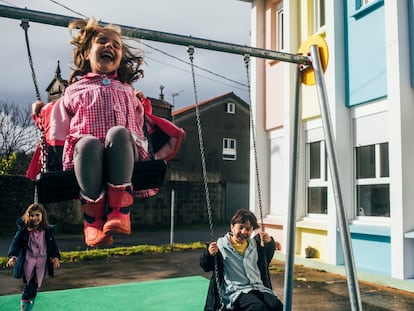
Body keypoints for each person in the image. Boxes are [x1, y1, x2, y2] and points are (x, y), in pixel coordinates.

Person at [30, 17, 184, 247]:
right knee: (87, 143)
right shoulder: (73, 91)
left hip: (123, 157)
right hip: (85, 160)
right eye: (103, 41)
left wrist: (143, 104)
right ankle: (93, 219)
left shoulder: (128, 91)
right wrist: (41, 113)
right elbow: (57, 124)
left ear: (120, 58)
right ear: (87, 53)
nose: (110, 46)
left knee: (120, 133)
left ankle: (120, 210)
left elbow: (141, 122)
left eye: (116, 45)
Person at [200, 209, 284, 311]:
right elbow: (205, 266)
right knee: (257, 307)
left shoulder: (255, 245)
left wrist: (269, 242)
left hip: (257, 287)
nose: (244, 232)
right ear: (232, 227)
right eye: (240, 227)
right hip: (236, 291)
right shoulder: (221, 245)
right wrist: (209, 254)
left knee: (277, 305)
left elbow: (265, 260)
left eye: (248, 229)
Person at [7, 203, 61, 311]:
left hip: (41, 263)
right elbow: (16, 243)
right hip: (28, 262)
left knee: (35, 286)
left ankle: (29, 307)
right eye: (32, 215)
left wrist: (55, 257)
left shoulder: (47, 231)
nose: (35, 218)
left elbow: (52, 245)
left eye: (37, 215)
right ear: (28, 216)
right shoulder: (24, 230)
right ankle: (25, 308)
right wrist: (13, 256)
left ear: (42, 216)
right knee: (28, 286)